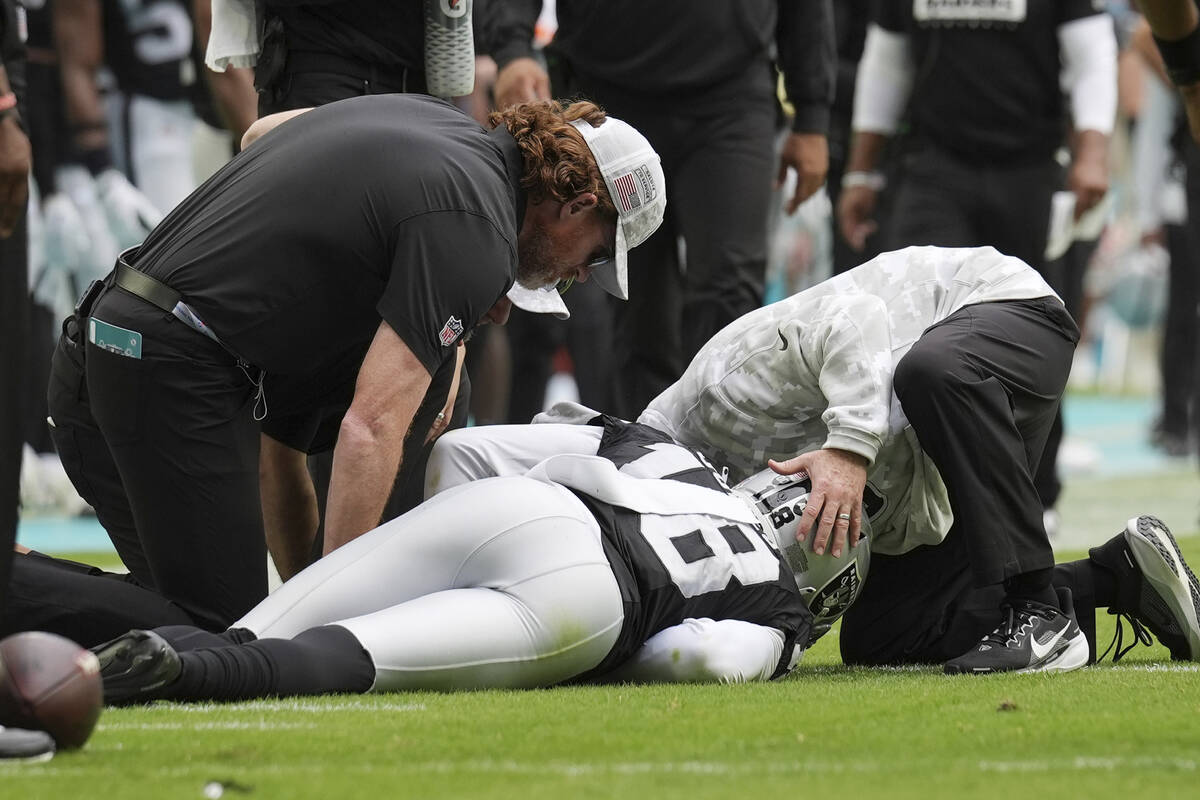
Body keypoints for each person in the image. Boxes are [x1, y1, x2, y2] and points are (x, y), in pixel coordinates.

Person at [1, 95, 666, 648]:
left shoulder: (441, 125)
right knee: (216, 639)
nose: (583, 275)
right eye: (599, 255)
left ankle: (29, 578)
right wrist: (341, 633)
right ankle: (16, 585)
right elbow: (370, 431)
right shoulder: (476, 228)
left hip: (111, 341)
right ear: (577, 203)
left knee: (191, 621)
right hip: (163, 367)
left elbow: (265, 129)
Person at [425, 245, 1200, 674]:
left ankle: (1041, 609)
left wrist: (850, 453)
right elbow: (918, 512)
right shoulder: (705, 518)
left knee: (931, 371)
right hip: (940, 435)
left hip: (1001, 315)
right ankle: (1117, 577)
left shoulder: (716, 396)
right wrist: (851, 546)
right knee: (890, 638)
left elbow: (856, 320)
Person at [92, 416, 812, 702]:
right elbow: (702, 659)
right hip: (593, 601)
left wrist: (462, 558)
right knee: (343, 660)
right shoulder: (782, 608)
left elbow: (464, 450)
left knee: (254, 631)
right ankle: (175, 671)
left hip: (519, 511)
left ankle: (85, 666)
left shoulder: (670, 451)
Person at [838, 1, 1118, 533]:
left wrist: (1093, 152)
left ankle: (1035, 490)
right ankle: (911, 495)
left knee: (1036, 331)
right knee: (911, 325)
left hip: (1031, 168)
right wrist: (861, 173)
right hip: (934, 164)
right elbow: (887, 61)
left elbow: (1093, 55)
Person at [490, 0, 836, 419]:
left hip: (729, 92)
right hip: (609, 90)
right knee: (637, 311)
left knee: (729, 291)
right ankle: (649, 462)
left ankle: (723, 457)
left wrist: (812, 113)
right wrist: (513, 50)